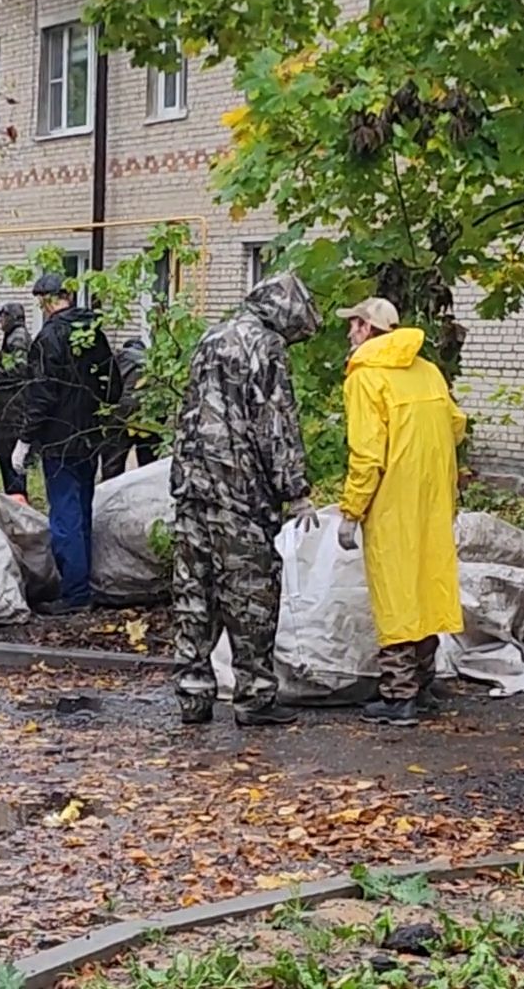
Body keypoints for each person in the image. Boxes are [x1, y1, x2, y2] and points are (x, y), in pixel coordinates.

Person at [169, 275, 321, 727]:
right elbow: (275, 424)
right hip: (240, 491)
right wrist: (295, 490)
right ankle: (254, 696)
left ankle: (193, 695)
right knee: (251, 594)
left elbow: (190, 410)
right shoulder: (265, 346)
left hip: (193, 487)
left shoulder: (211, 336)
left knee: (194, 592)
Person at [337, 297, 466, 727]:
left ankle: (398, 696)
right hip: (433, 499)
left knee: (395, 594)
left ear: (367, 330)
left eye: (353, 325)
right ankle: (424, 685)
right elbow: (455, 424)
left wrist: (351, 511)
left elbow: (367, 454)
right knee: (427, 588)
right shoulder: (427, 371)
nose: (349, 332)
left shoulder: (366, 379)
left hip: (392, 503)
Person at [14, 274, 119, 613]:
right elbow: (112, 386)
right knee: (82, 511)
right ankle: (82, 585)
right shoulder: (93, 334)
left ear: (46, 300)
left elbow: (41, 394)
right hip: (90, 436)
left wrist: (25, 438)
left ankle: (74, 594)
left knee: (65, 515)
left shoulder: (50, 337)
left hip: (59, 439)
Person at [0, 302, 32, 499]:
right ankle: (14, 496)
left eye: (3, 316)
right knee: (6, 458)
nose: (1, 321)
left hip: (13, 407)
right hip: (8, 406)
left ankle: (17, 499)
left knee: (12, 459)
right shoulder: (11, 337)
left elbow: (17, 373)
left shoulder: (18, 338)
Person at [101, 337, 156, 482]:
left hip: (120, 412)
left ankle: (109, 497)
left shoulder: (117, 357)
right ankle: (148, 497)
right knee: (149, 465)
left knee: (113, 462)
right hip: (149, 414)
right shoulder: (153, 361)